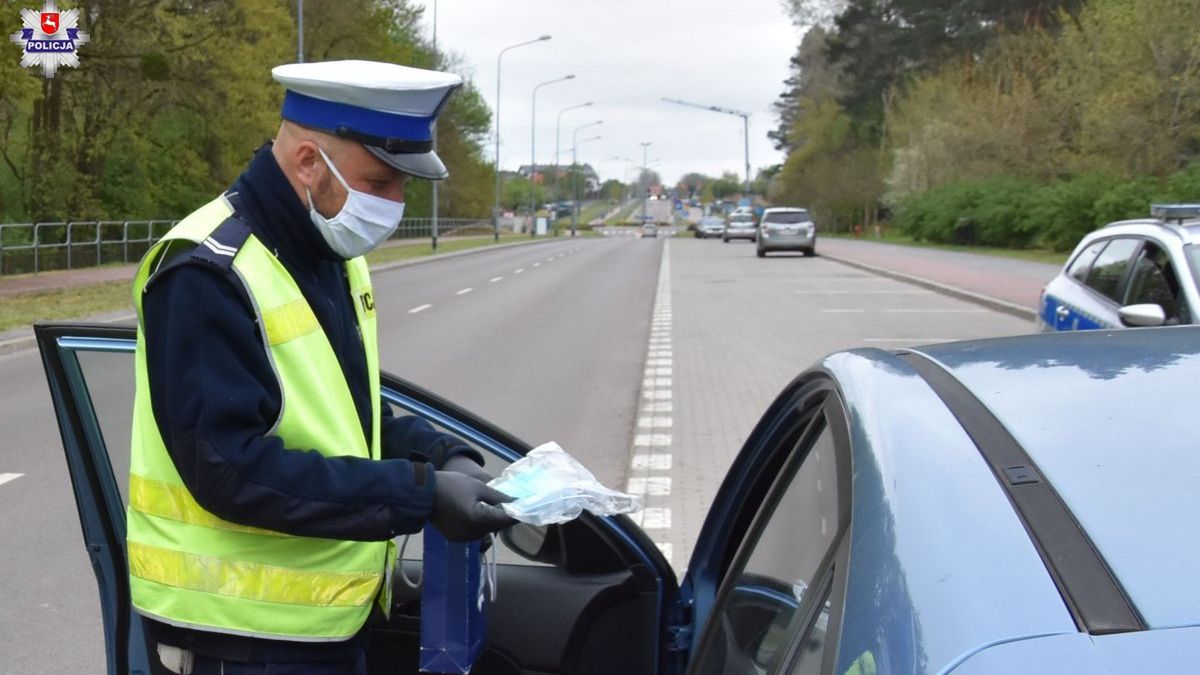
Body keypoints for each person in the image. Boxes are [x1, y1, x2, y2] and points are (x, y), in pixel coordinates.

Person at [127, 60, 516, 675]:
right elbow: (228, 469)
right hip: (237, 640)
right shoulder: (208, 271)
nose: (394, 204)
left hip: (324, 626)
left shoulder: (328, 251)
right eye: (380, 181)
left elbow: (343, 412)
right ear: (309, 163)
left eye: (402, 186)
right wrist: (419, 493)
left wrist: (444, 456)